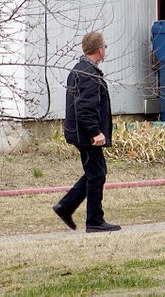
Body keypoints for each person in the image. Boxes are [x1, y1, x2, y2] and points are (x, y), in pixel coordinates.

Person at [53, 31, 121, 233]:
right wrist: (95, 133)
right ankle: (94, 220)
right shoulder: (89, 74)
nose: (105, 50)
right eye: (105, 47)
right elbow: (85, 107)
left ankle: (66, 206)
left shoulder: (80, 69)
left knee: (95, 172)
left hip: (79, 132)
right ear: (100, 50)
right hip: (86, 135)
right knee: (97, 173)